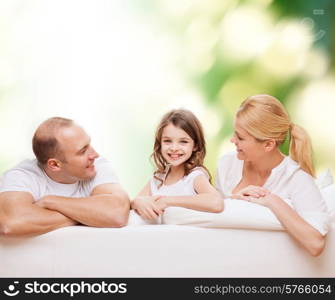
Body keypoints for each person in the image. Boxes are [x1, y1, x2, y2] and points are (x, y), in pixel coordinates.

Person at [216, 94, 329, 256]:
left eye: (240, 137)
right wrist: (235, 200)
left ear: (268, 144)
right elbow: (216, 213)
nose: (233, 140)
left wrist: (272, 201)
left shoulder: (297, 179)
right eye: (235, 133)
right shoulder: (227, 164)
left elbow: (316, 243)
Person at [0, 117, 130, 237]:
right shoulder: (22, 176)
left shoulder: (95, 165)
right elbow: (11, 223)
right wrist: (92, 216)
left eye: (89, 144)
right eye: (83, 151)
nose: (95, 154)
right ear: (55, 164)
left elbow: (117, 213)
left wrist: (51, 201)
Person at [131, 109, 223, 222]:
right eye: (167, 141)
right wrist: (137, 202)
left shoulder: (194, 177)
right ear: (160, 143)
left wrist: (167, 201)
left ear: (195, 145)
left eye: (183, 142)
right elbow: (135, 201)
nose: (174, 148)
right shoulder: (158, 179)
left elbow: (216, 203)